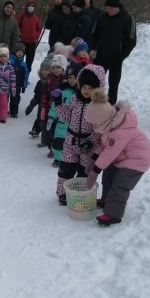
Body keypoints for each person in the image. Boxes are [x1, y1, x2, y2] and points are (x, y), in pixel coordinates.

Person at [85, 88, 150, 226]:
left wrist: (96, 169)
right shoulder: (109, 127)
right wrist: (93, 160)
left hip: (136, 161)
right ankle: (105, 200)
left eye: (95, 123)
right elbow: (104, 146)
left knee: (120, 186)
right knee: (108, 176)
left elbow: (110, 153)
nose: (93, 126)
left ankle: (113, 215)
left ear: (104, 120)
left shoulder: (120, 131)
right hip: (122, 158)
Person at [54, 64, 105, 205]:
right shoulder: (75, 100)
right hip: (71, 141)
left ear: (98, 88)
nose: (86, 91)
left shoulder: (99, 106)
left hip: (87, 145)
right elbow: (66, 116)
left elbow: (100, 127)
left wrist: (91, 140)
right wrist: (58, 104)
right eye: (84, 87)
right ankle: (63, 193)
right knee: (65, 169)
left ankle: (81, 194)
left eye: (90, 87)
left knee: (84, 172)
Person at [90, 0, 137, 105]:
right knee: (95, 81)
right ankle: (93, 104)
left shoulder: (128, 19)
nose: (108, 10)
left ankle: (110, 107)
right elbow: (94, 34)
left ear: (118, 7)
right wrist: (92, 48)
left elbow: (132, 41)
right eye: (107, 7)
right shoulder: (102, 18)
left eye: (111, 8)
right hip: (100, 56)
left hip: (116, 57)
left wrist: (121, 56)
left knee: (113, 84)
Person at [47, 62, 82, 167]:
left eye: (75, 78)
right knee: (58, 142)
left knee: (73, 144)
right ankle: (57, 158)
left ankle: (71, 159)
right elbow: (55, 105)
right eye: (70, 77)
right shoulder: (62, 90)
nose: (72, 80)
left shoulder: (82, 93)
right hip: (62, 123)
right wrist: (51, 117)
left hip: (75, 125)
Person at [40, 54, 67, 158]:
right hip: (51, 110)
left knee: (60, 132)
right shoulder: (49, 80)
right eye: (54, 67)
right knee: (51, 131)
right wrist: (43, 107)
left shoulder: (66, 81)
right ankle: (52, 148)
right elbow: (44, 95)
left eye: (59, 67)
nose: (56, 70)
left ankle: (61, 149)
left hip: (63, 111)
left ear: (63, 68)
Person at [25, 56, 52, 138]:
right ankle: (36, 130)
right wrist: (31, 105)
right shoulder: (39, 83)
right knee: (39, 118)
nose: (44, 72)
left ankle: (48, 134)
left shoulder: (53, 83)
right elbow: (37, 96)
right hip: (41, 105)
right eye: (42, 69)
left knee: (48, 120)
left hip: (51, 106)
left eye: (47, 70)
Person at [0, 47, 16, 123]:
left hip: (5, 89)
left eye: (5, 56)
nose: (3, 58)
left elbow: (12, 77)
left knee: (4, 104)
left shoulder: (10, 67)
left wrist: (13, 87)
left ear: (7, 57)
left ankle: (3, 117)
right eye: (1, 56)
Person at [16, 0, 42, 72]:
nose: (31, 7)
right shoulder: (21, 16)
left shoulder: (36, 18)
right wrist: (19, 36)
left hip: (32, 44)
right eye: (30, 6)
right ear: (26, 6)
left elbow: (39, 29)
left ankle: (26, 78)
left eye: (33, 6)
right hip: (21, 43)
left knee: (29, 62)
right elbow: (16, 27)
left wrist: (36, 36)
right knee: (18, 61)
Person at [9, 43, 29, 118]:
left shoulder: (23, 64)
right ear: (15, 52)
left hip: (17, 84)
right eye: (18, 51)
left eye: (22, 52)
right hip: (8, 83)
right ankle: (4, 110)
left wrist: (24, 85)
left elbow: (26, 75)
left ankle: (14, 112)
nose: (20, 53)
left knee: (15, 98)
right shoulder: (10, 61)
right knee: (6, 97)